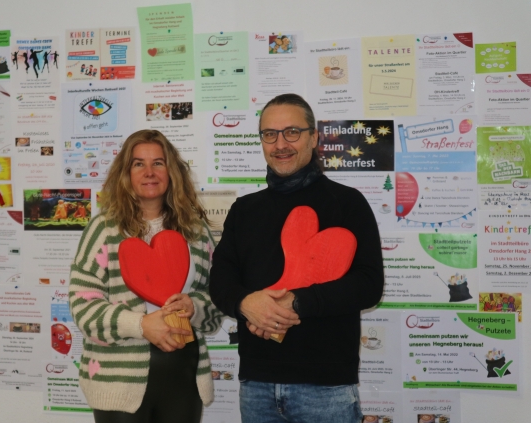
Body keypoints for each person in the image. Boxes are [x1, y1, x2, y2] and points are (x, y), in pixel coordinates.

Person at [209, 93, 384, 423]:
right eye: (269, 134)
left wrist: (297, 301)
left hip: (326, 388)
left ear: (313, 137)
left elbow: (368, 285)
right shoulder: (244, 210)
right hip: (256, 385)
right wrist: (246, 304)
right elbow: (221, 281)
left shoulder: (348, 203)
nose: (280, 144)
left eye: (292, 132)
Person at [70, 129, 223, 423]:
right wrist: (140, 325)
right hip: (118, 381)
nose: (149, 172)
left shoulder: (195, 232)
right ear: (125, 173)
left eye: (158, 163)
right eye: (139, 164)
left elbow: (217, 298)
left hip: (184, 376)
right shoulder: (103, 230)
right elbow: (83, 307)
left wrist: (194, 307)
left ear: (171, 171)